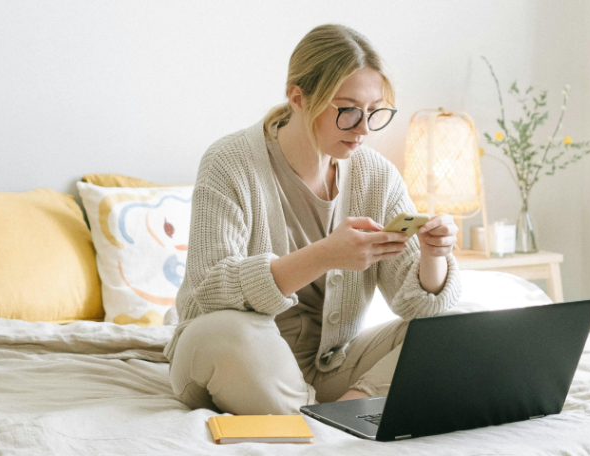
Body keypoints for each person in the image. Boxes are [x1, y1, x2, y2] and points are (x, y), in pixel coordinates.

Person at [165, 24, 462, 415]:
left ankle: (341, 414)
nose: (363, 129)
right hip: (231, 355)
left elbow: (421, 310)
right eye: (348, 110)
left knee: (457, 326)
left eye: (375, 113)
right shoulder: (229, 162)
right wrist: (323, 255)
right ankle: (325, 417)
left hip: (332, 366)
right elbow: (209, 289)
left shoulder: (377, 175)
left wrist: (433, 255)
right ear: (298, 97)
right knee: (228, 331)